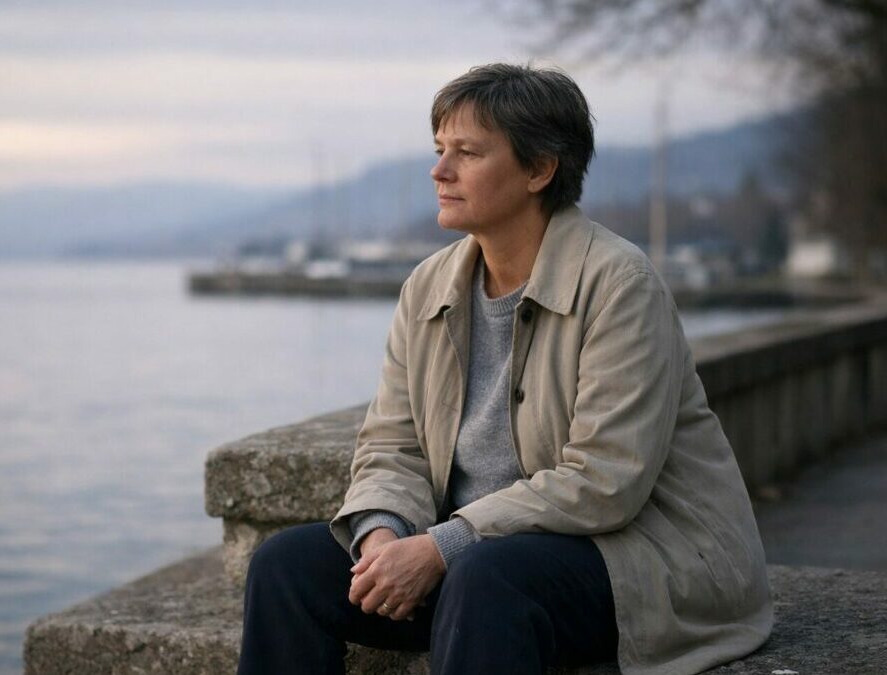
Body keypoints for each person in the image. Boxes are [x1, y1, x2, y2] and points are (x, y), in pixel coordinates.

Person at [237, 63, 773, 675]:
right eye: (439, 150)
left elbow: (605, 479)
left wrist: (442, 547)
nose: (440, 171)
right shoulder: (428, 286)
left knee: (487, 577)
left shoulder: (619, 285)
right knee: (286, 566)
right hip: (479, 560)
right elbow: (392, 444)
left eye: (467, 153)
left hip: (630, 560)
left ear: (539, 170)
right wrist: (383, 536)